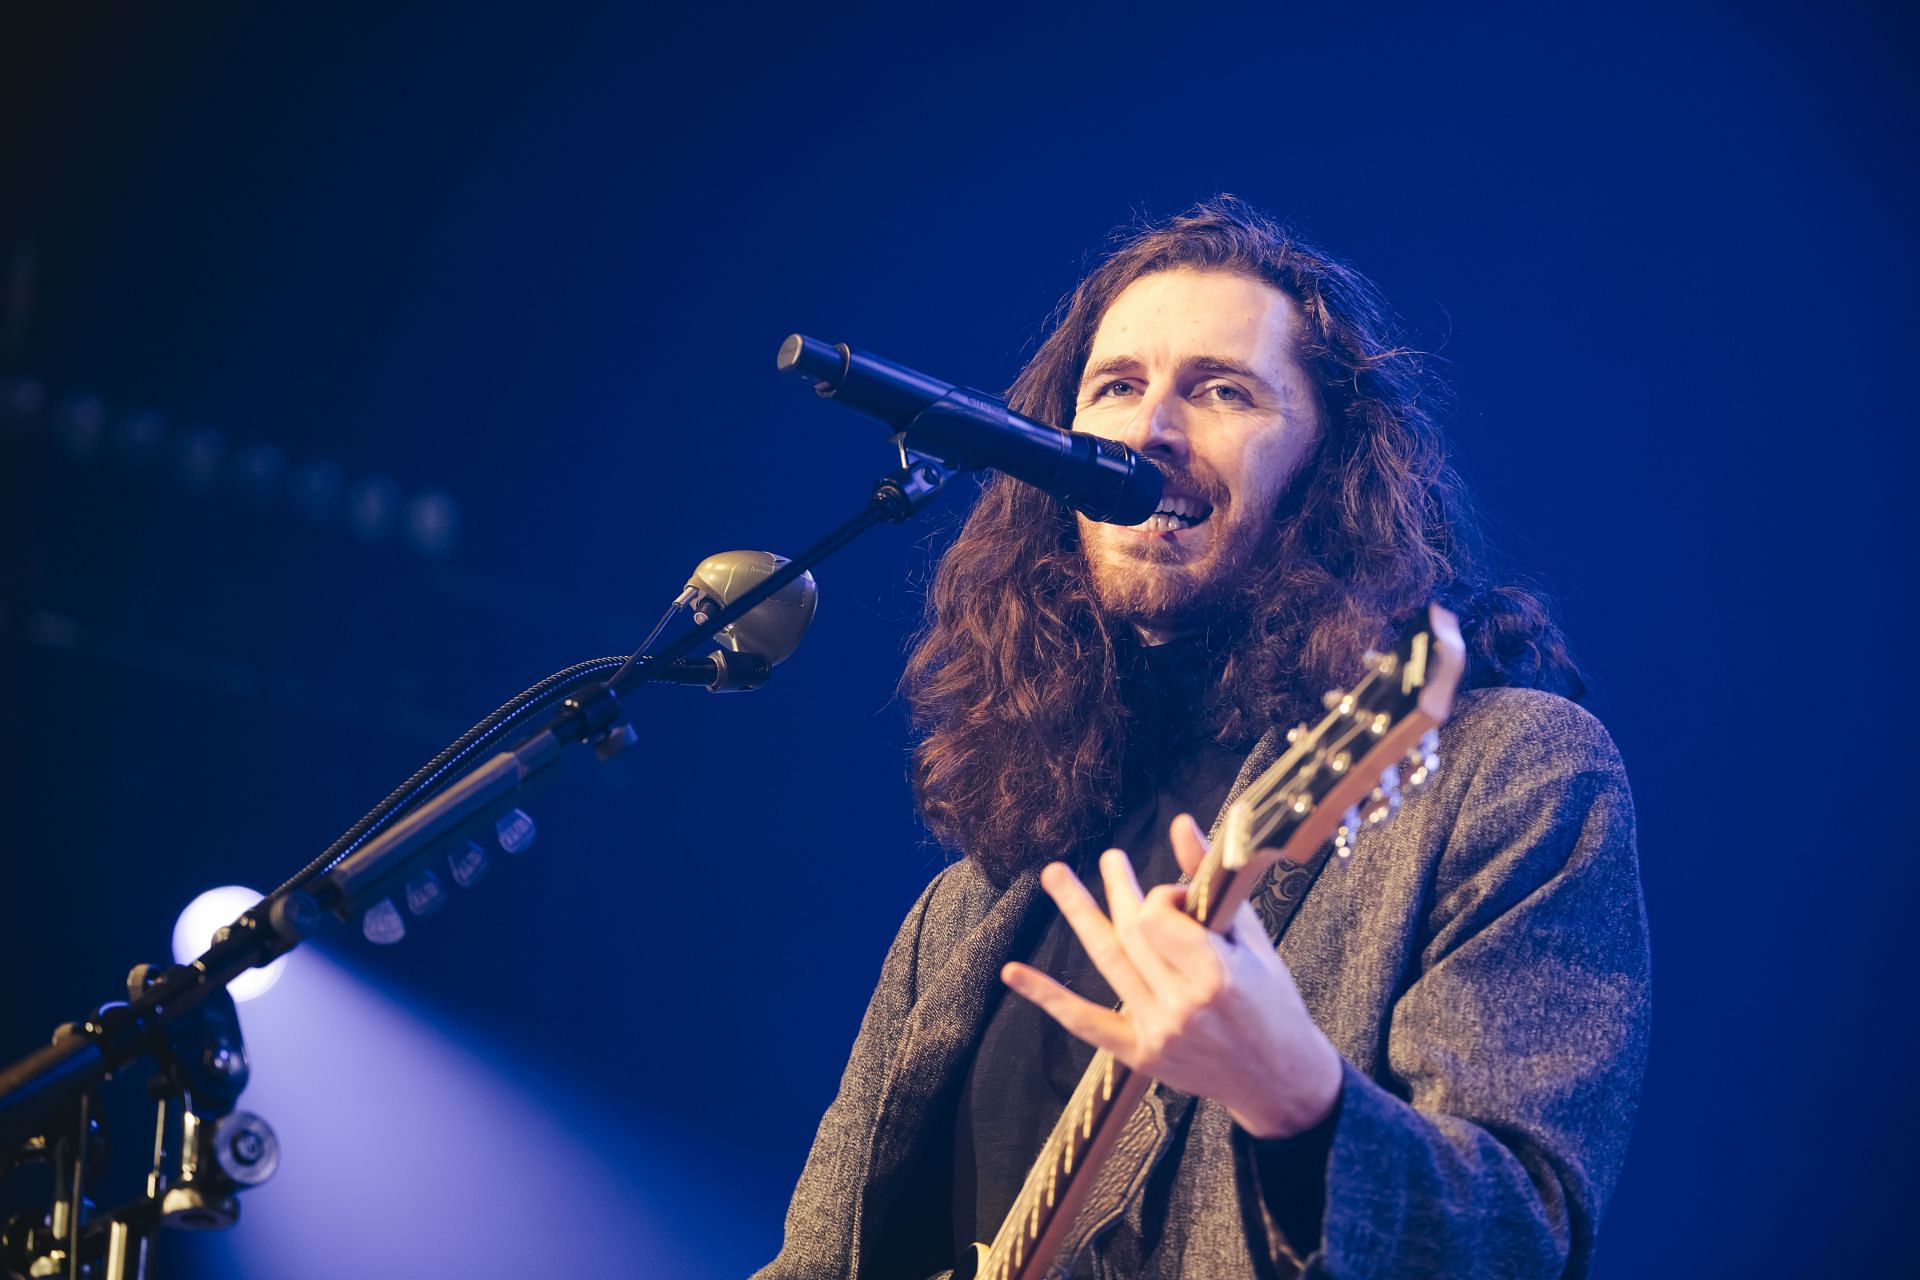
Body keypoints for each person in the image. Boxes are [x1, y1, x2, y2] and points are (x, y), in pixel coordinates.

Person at [755, 198, 1650, 1280]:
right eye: (1118, 386)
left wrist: (1297, 1098)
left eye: (1222, 390)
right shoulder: (969, 903)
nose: (1150, 430)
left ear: (1331, 463)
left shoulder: (1505, 772)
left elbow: (1516, 1242)